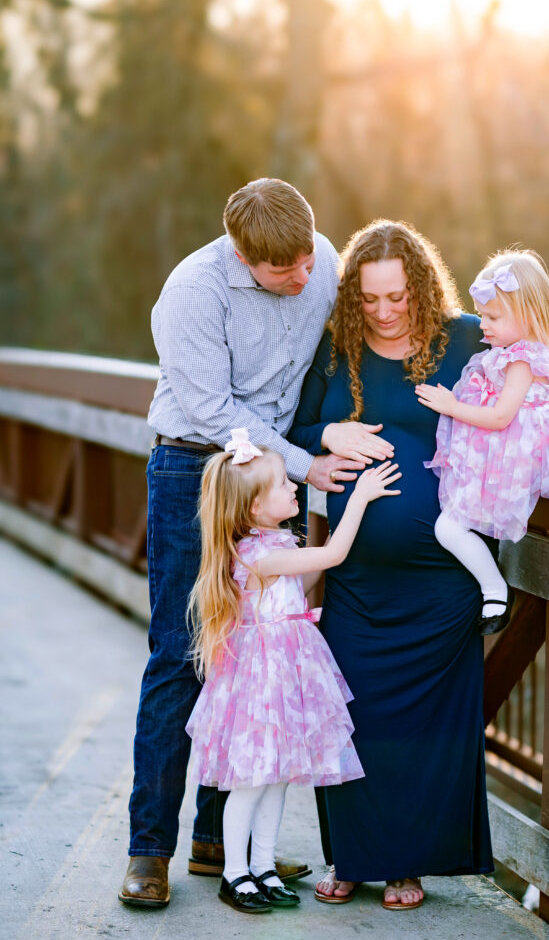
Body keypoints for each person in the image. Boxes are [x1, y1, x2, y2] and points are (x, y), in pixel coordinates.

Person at [119, 179, 364, 908]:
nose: (301, 276)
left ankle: (218, 845)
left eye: (304, 259)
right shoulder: (193, 292)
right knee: (184, 653)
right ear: (239, 252)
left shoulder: (317, 257)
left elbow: (339, 354)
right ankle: (149, 849)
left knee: (254, 658)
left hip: (270, 475)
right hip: (196, 468)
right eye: (280, 268)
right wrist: (302, 462)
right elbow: (212, 408)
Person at [288, 219, 495, 911]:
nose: (382, 311)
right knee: (347, 716)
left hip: (442, 584)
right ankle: (350, 856)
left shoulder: (464, 340)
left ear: (421, 288)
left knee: (422, 731)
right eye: (369, 298)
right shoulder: (335, 351)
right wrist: (328, 432)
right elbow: (293, 432)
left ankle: (404, 865)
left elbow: (536, 377)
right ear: (352, 297)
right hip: (356, 579)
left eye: (397, 297)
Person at [185, 429, 401, 913]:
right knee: (252, 781)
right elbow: (332, 557)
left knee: (278, 776)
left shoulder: (273, 543)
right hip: (263, 681)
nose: (295, 489)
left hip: (286, 675)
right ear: (254, 509)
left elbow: (303, 581)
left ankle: (262, 864)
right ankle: (234, 872)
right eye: (284, 484)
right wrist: (360, 498)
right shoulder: (259, 555)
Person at [416, 249, 549, 635]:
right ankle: (492, 586)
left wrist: (452, 405)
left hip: (512, 449)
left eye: (493, 317)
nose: (483, 325)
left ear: (526, 316)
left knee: (449, 528)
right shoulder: (507, 352)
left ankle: (494, 588)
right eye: (483, 314)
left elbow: (500, 417)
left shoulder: (522, 360)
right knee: (452, 527)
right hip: (496, 448)